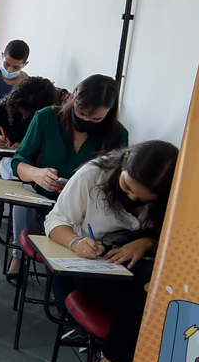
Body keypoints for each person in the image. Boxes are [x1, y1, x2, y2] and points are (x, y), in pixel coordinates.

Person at [45, 140, 179, 362]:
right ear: (124, 161)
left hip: (139, 267)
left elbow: (178, 239)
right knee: (149, 295)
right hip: (94, 268)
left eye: (142, 199)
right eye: (127, 186)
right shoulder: (93, 176)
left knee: (161, 287)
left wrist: (148, 242)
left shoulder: (177, 194)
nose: (130, 197)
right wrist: (76, 241)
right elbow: (55, 221)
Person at [11, 74, 129, 255]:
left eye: (96, 119)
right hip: (45, 203)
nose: (86, 120)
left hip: (87, 216)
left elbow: (116, 184)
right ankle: (18, 257)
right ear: (74, 98)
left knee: (87, 252)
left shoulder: (117, 135)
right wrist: (37, 174)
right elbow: (19, 161)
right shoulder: (47, 118)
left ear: (109, 112)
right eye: (81, 112)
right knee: (49, 243)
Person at [0, 75, 59, 225]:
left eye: (29, 115)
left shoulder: (50, 116)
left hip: (31, 158)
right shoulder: (7, 106)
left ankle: (24, 209)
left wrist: (28, 145)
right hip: (8, 147)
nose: (24, 117)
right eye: (22, 111)